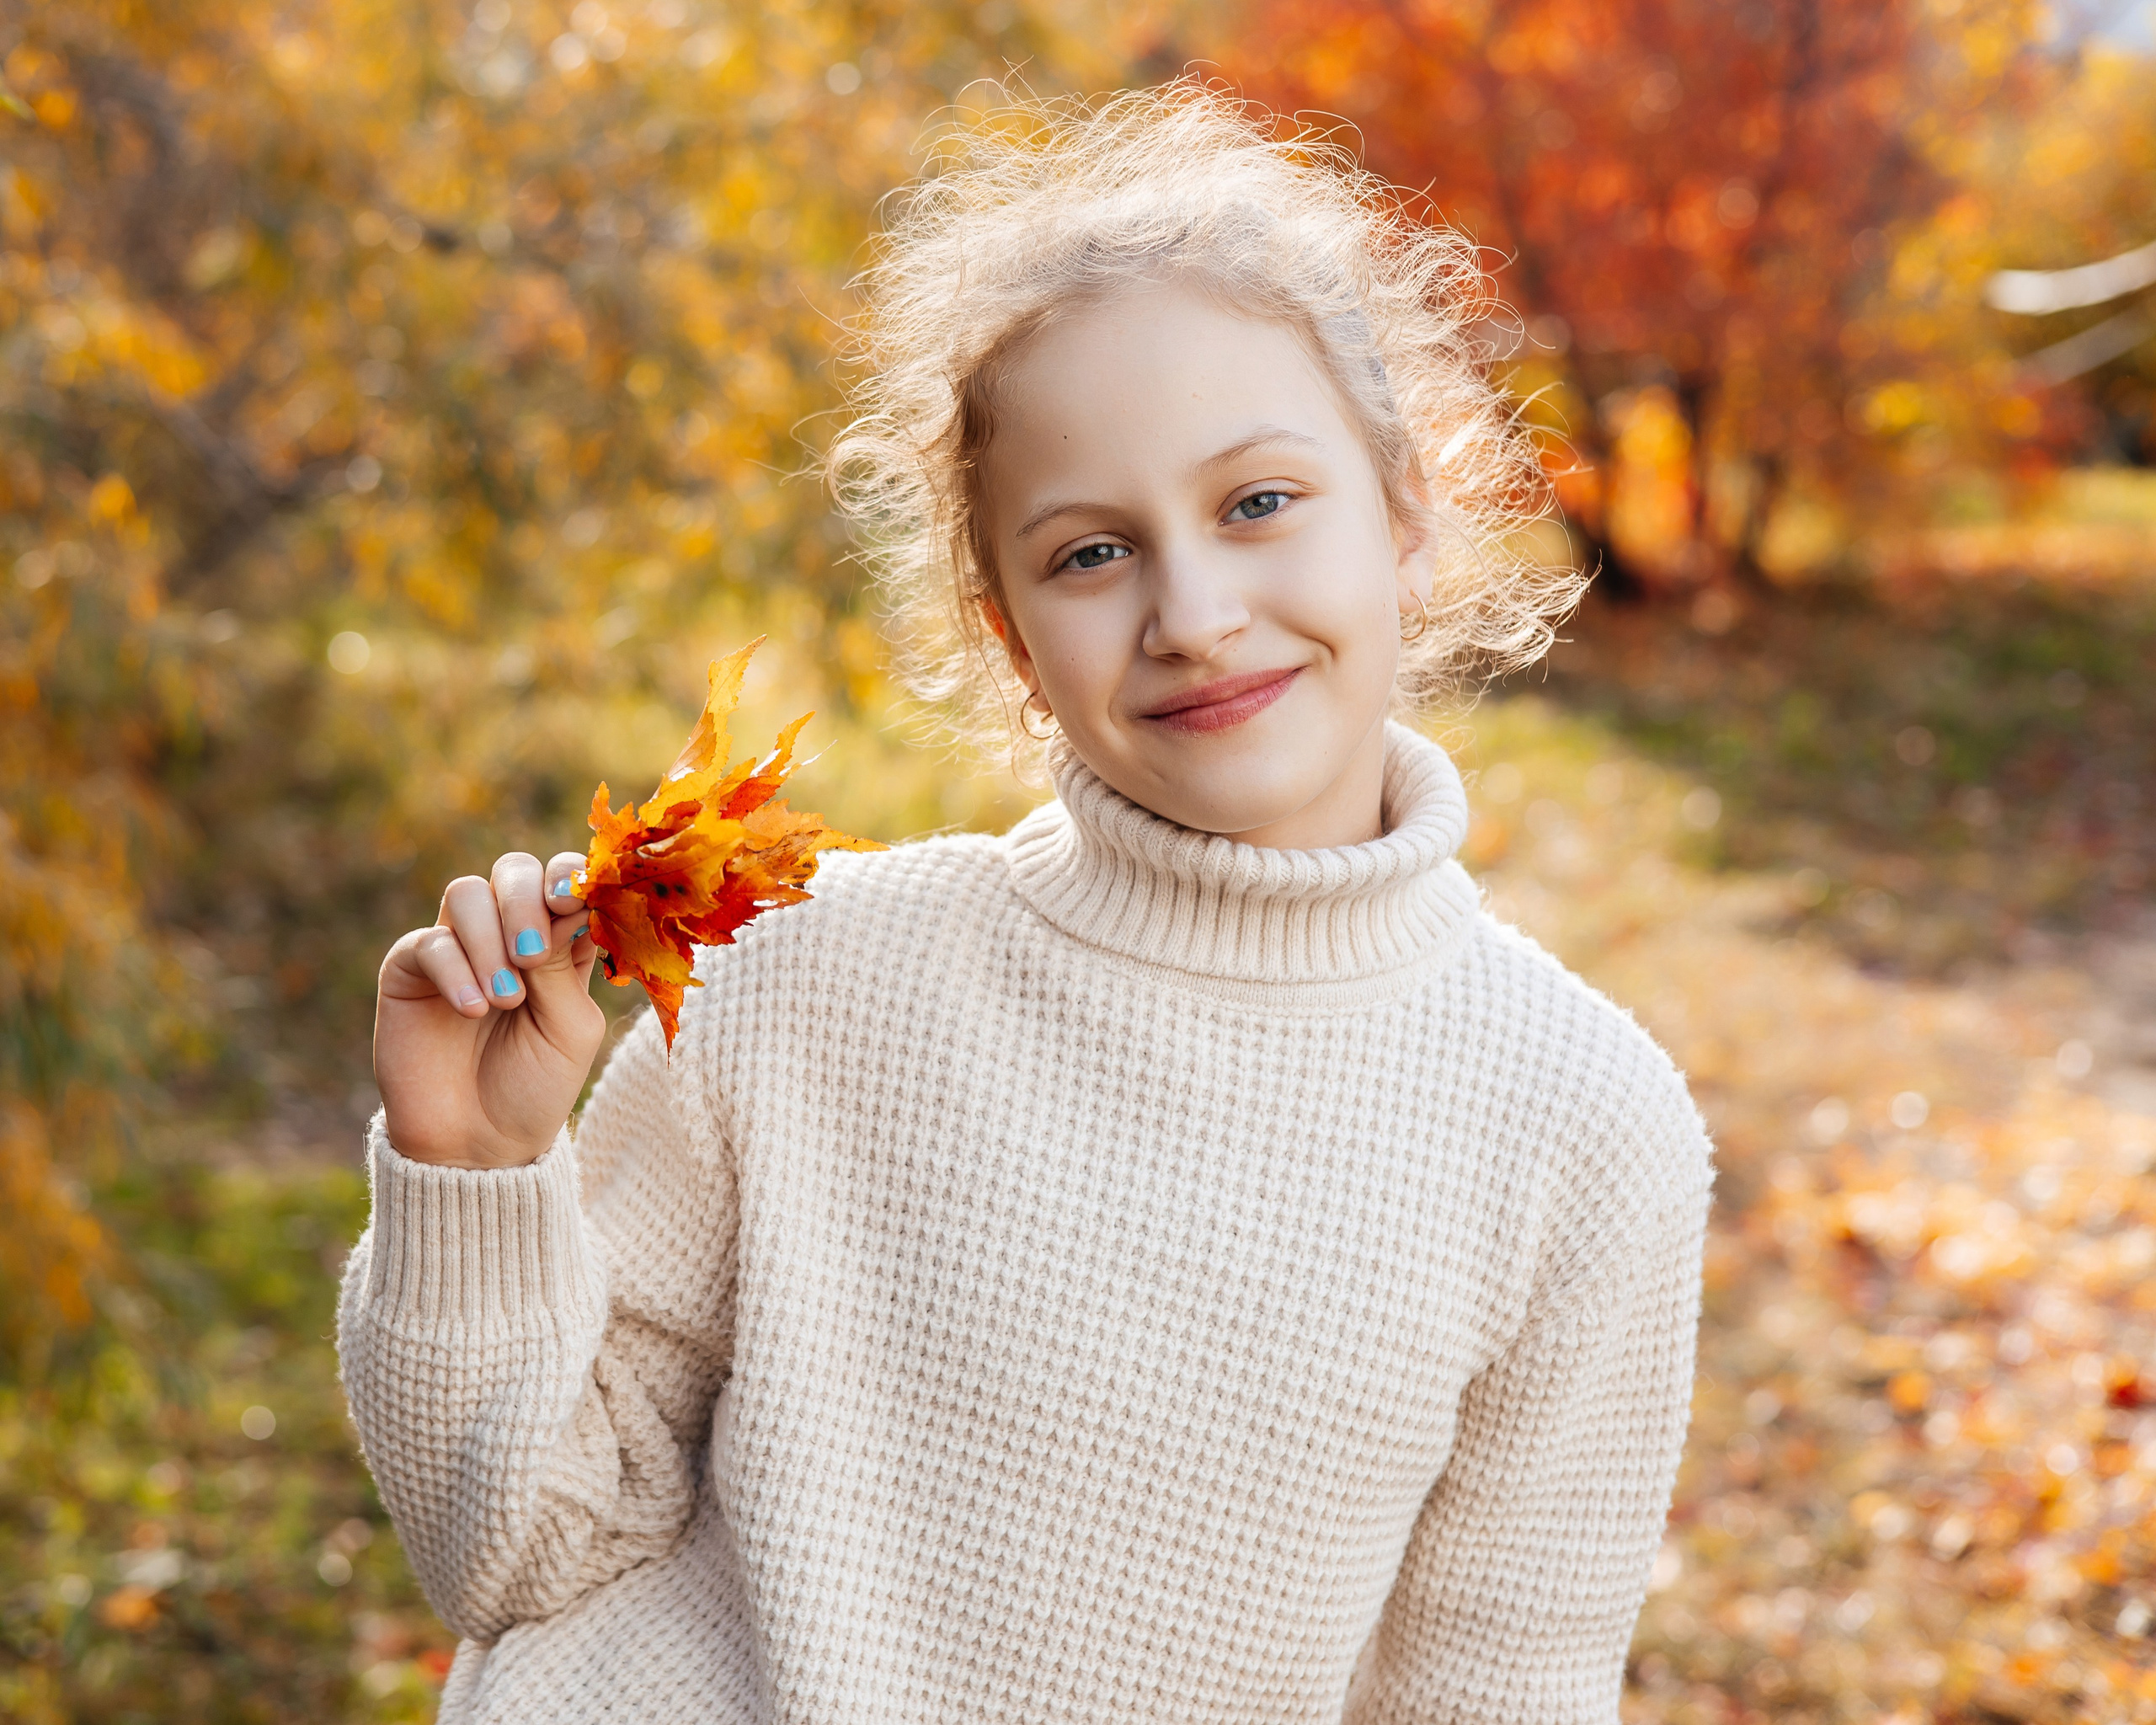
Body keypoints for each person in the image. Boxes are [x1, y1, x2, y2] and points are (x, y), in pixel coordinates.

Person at [339, 81, 1714, 1724]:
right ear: (1006, 637)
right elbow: (514, 1553)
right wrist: (473, 1171)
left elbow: (1492, 1692)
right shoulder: (800, 985)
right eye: (1087, 554)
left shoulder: (1581, 1128)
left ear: (1408, 513)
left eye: (1258, 502)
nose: (1194, 613)